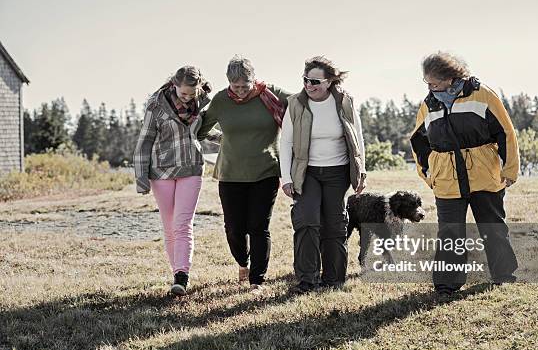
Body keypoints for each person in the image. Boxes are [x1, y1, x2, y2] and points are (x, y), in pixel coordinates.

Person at [410, 51, 520, 295]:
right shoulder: (429, 103)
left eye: (433, 81)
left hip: (484, 174)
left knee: (492, 225)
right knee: (449, 230)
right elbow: (418, 140)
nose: (429, 86)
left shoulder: (483, 95)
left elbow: (506, 132)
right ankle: (446, 284)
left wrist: (510, 168)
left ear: (450, 77)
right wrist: (428, 172)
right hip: (447, 179)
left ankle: (504, 275)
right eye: (426, 82)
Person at [197, 55, 291, 293]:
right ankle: (243, 263)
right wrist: (224, 138)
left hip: (266, 171)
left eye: (245, 86)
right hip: (230, 174)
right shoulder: (221, 100)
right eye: (235, 86)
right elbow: (200, 130)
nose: (239, 91)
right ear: (228, 82)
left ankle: (257, 280)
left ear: (254, 79)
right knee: (234, 228)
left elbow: (304, 103)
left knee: (259, 226)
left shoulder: (272, 94)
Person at [280, 56, 367, 293]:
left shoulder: (345, 102)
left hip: (337, 172)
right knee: (306, 220)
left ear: (329, 82)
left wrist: (362, 172)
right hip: (306, 172)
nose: (309, 85)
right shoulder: (295, 104)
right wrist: (286, 179)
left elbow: (358, 138)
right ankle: (307, 279)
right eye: (306, 80)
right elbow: (285, 142)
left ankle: (334, 279)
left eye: (315, 81)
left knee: (335, 224)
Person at [134, 66, 214, 296]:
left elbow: (204, 132)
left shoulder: (201, 103)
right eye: (183, 94)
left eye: (192, 94)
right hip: (161, 173)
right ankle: (176, 274)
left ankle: (182, 275)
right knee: (170, 228)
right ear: (174, 85)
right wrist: (141, 176)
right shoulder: (156, 105)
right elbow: (145, 140)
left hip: (191, 169)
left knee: (182, 224)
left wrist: (232, 138)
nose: (188, 98)